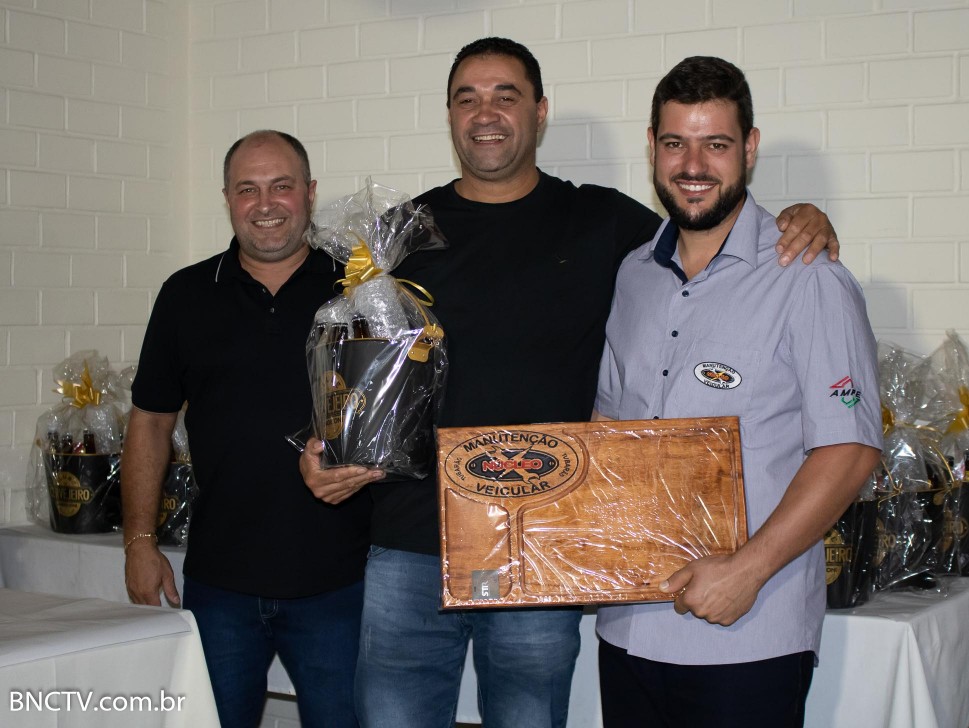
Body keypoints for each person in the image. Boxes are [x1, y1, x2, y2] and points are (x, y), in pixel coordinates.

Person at [301, 38, 841, 728]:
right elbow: (345, 362)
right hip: (410, 543)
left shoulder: (605, 222)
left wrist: (798, 220)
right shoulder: (396, 233)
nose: (486, 113)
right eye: (468, 98)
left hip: (546, 544)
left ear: (540, 112)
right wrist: (326, 449)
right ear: (450, 116)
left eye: (506, 96)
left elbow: (708, 230)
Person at [593, 56, 882, 728]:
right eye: (676, 142)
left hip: (746, 636)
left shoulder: (808, 277)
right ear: (652, 146)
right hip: (627, 627)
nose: (693, 164)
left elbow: (849, 450)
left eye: (716, 144)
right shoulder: (633, 275)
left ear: (749, 148)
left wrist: (748, 571)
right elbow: (608, 430)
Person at [121, 130, 376, 728]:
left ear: (310, 193)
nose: (265, 204)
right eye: (247, 189)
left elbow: (398, 420)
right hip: (220, 585)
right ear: (228, 199)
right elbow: (151, 421)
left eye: (281, 186)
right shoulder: (186, 295)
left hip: (341, 584)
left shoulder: (361, 290)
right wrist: (139, 542)